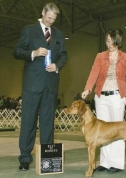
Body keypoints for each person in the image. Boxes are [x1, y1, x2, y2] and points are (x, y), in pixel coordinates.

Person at [81, 28, 126, 173]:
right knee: (103, 132)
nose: (109, 44)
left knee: (119, 132)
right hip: (101, 97)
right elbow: (93, 73)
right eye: (107, 41)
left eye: (112, 42)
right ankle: (105, 162)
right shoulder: (100, 56)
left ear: (118, 42)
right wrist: (87, 89)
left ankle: (117, 164)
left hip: (117, 97)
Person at [13, 2, 67, 171]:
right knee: (28, 121)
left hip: (50, 84)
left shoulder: (58, 34)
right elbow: (17, 51)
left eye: (54, 19)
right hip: (32, 84)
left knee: (47, 122)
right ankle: (25, 158)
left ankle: (48, 158)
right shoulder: (29, 30)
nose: (51, 21)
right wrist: (33, 53)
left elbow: (64, 55)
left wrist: (57, 66)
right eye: (49, 17)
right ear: (43, 12)